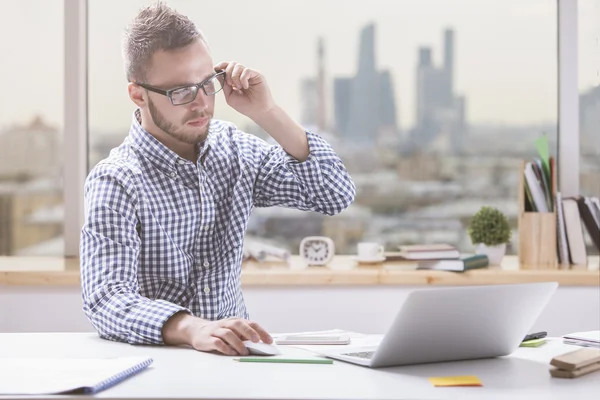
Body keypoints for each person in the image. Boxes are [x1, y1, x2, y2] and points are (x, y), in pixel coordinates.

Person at [80, 2, 356, 357]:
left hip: (239, 367)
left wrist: (266, 112)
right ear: (138, 94)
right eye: (180, 91)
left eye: (207, 84)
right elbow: (106, 298)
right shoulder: (116, 180)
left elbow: (334, 195)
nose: (201, 104)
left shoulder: (234, 150)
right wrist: (193, 328)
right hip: (158, 369)